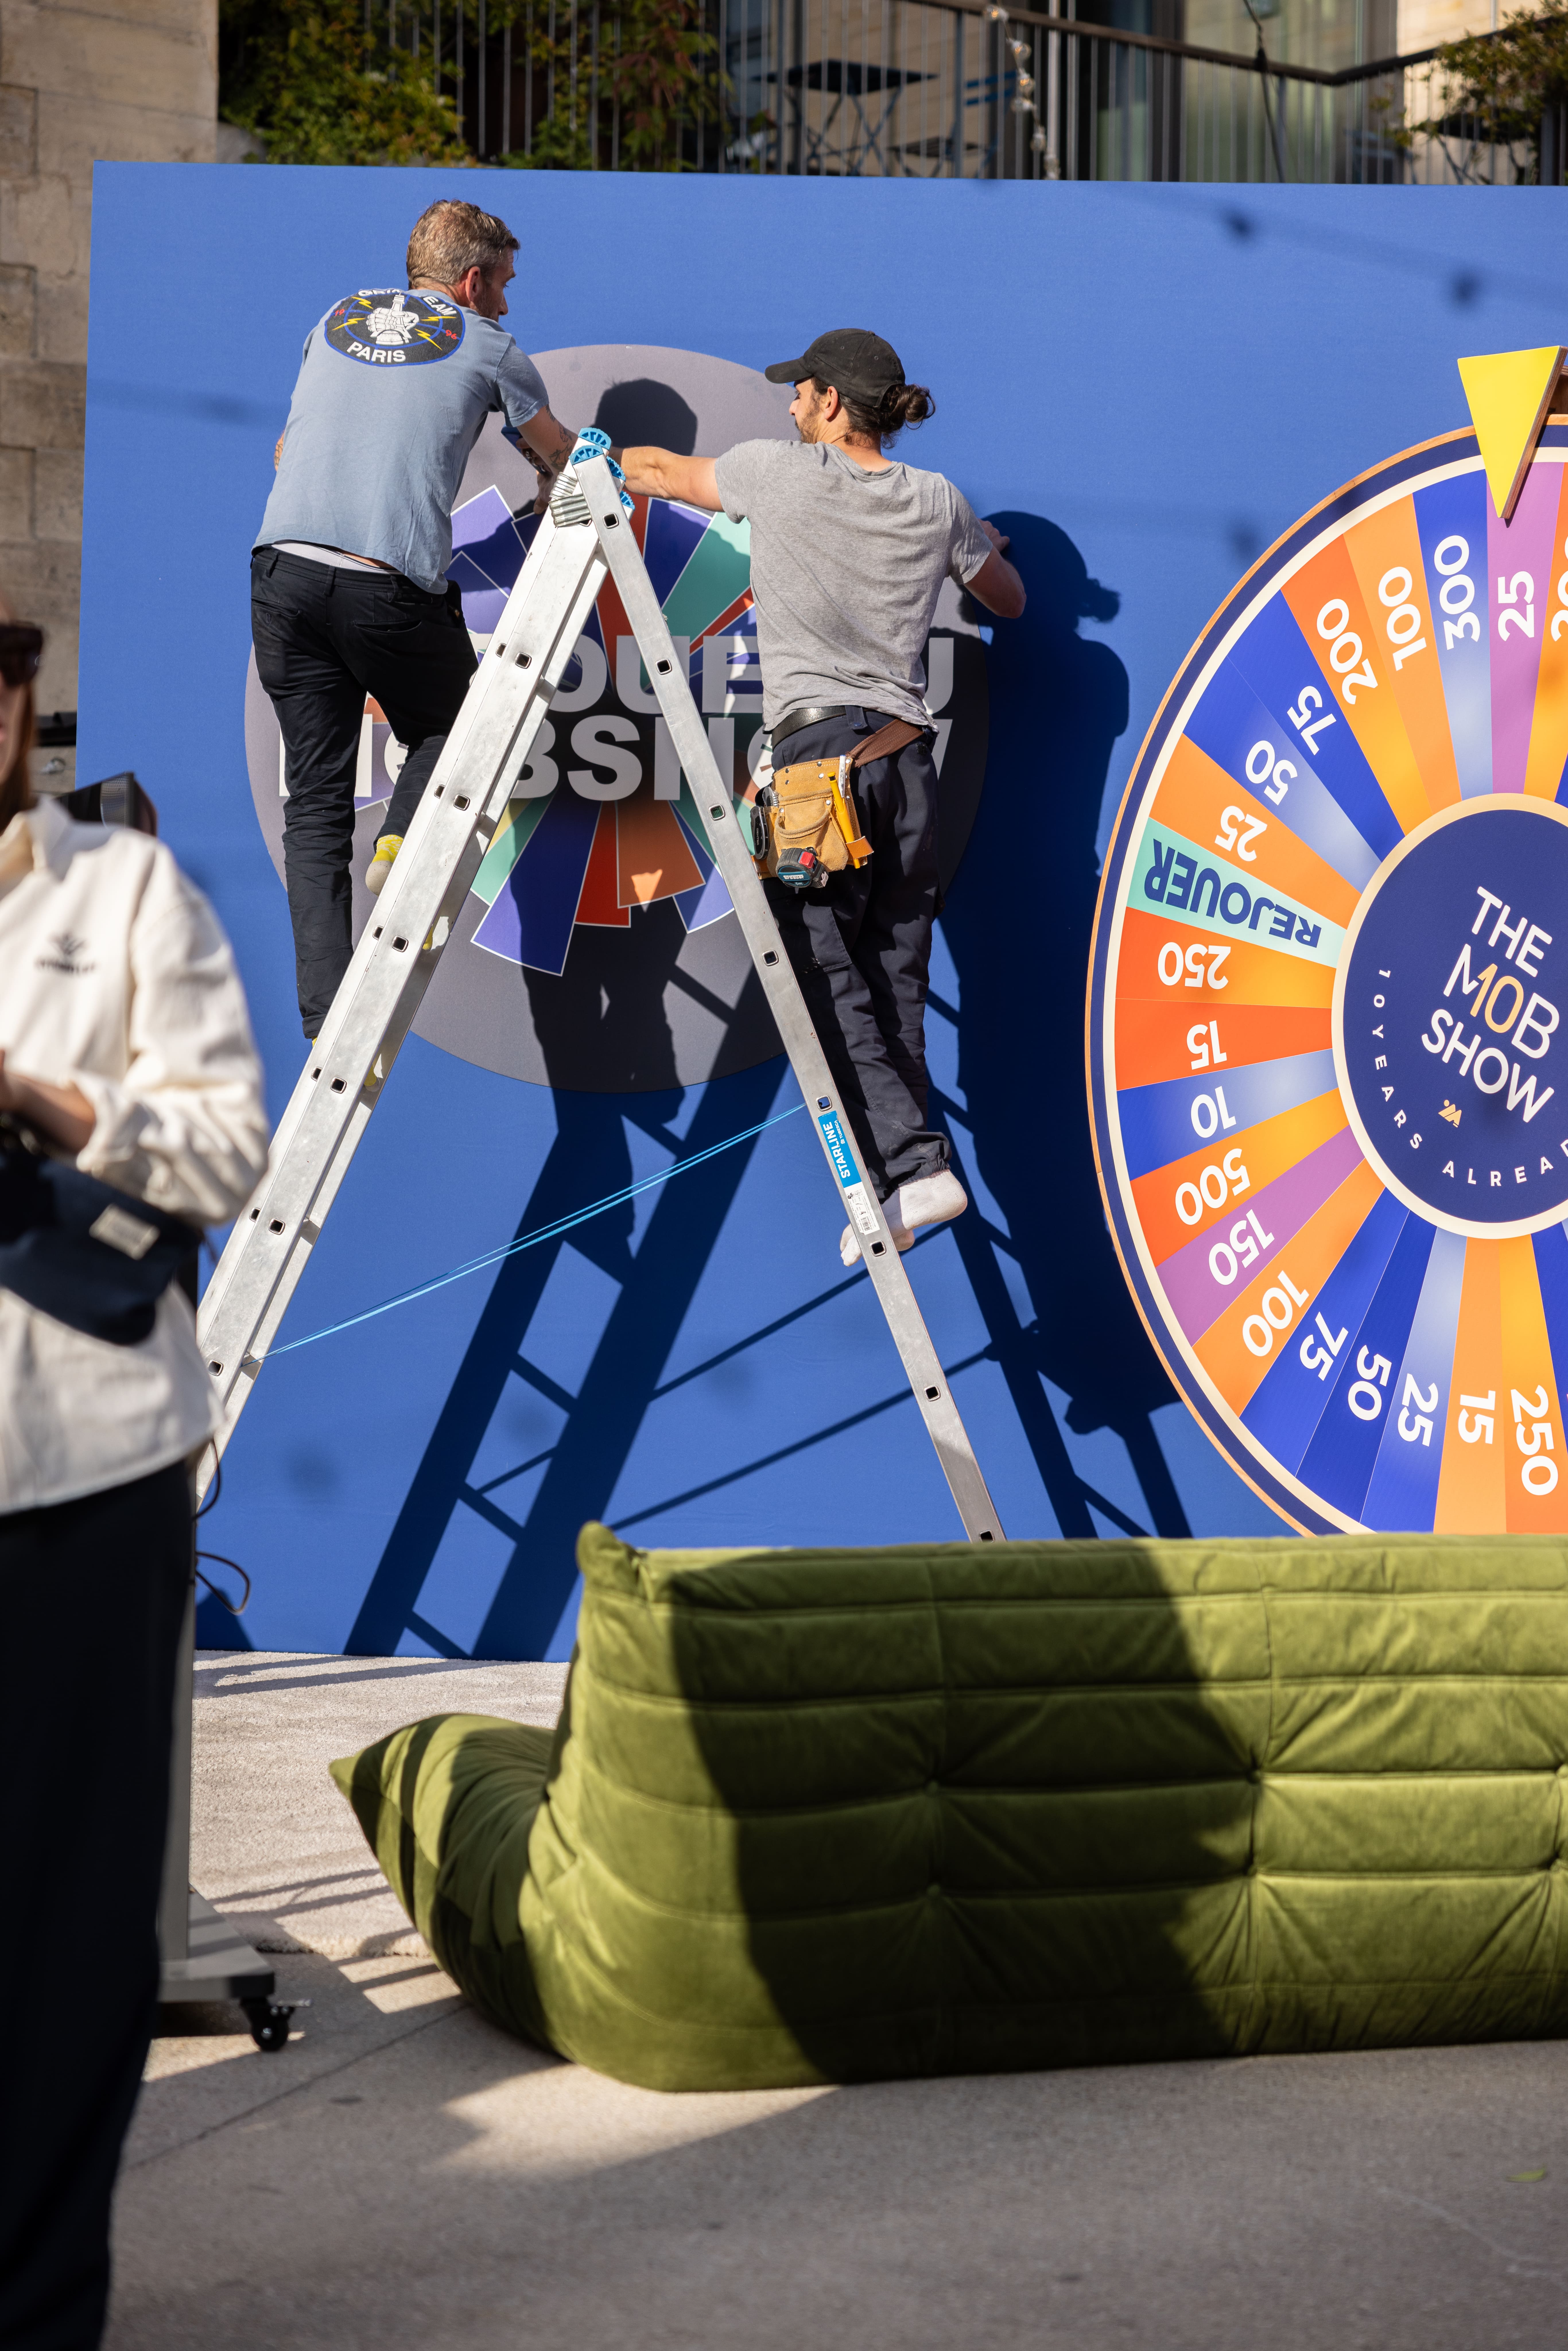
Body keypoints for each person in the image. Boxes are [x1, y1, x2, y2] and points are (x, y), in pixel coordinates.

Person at [0, 604, 268, 2349]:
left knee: (70, 1929)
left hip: (83, 1475)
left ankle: (31, 2313)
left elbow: (233, 1138)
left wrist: (56, 1109)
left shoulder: (119, 894)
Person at [618, 328, 1025, 1266]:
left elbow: (662, 474)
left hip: (814, 774)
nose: (790, 410)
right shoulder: (939, 501)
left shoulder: (775, 473)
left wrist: (585, 457)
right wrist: (978, 545)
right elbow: (1008, 601)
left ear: (834, 402)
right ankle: (907, 1180)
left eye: (800, 395)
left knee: (825, 981)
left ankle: (914, 1167)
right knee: (896, 982)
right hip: (906, 767)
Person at [252, 196, 582, 1037]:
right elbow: (560, 458)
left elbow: (291, 448)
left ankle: (326, 1017)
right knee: (454, 726)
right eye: (503, 283)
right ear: (472, 281)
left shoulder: (334, 321)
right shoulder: (489, 343)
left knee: (314, 803)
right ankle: (403, 848)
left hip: (282, 574)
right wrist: (560, 485)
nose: (507, 301)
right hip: (384, 583)